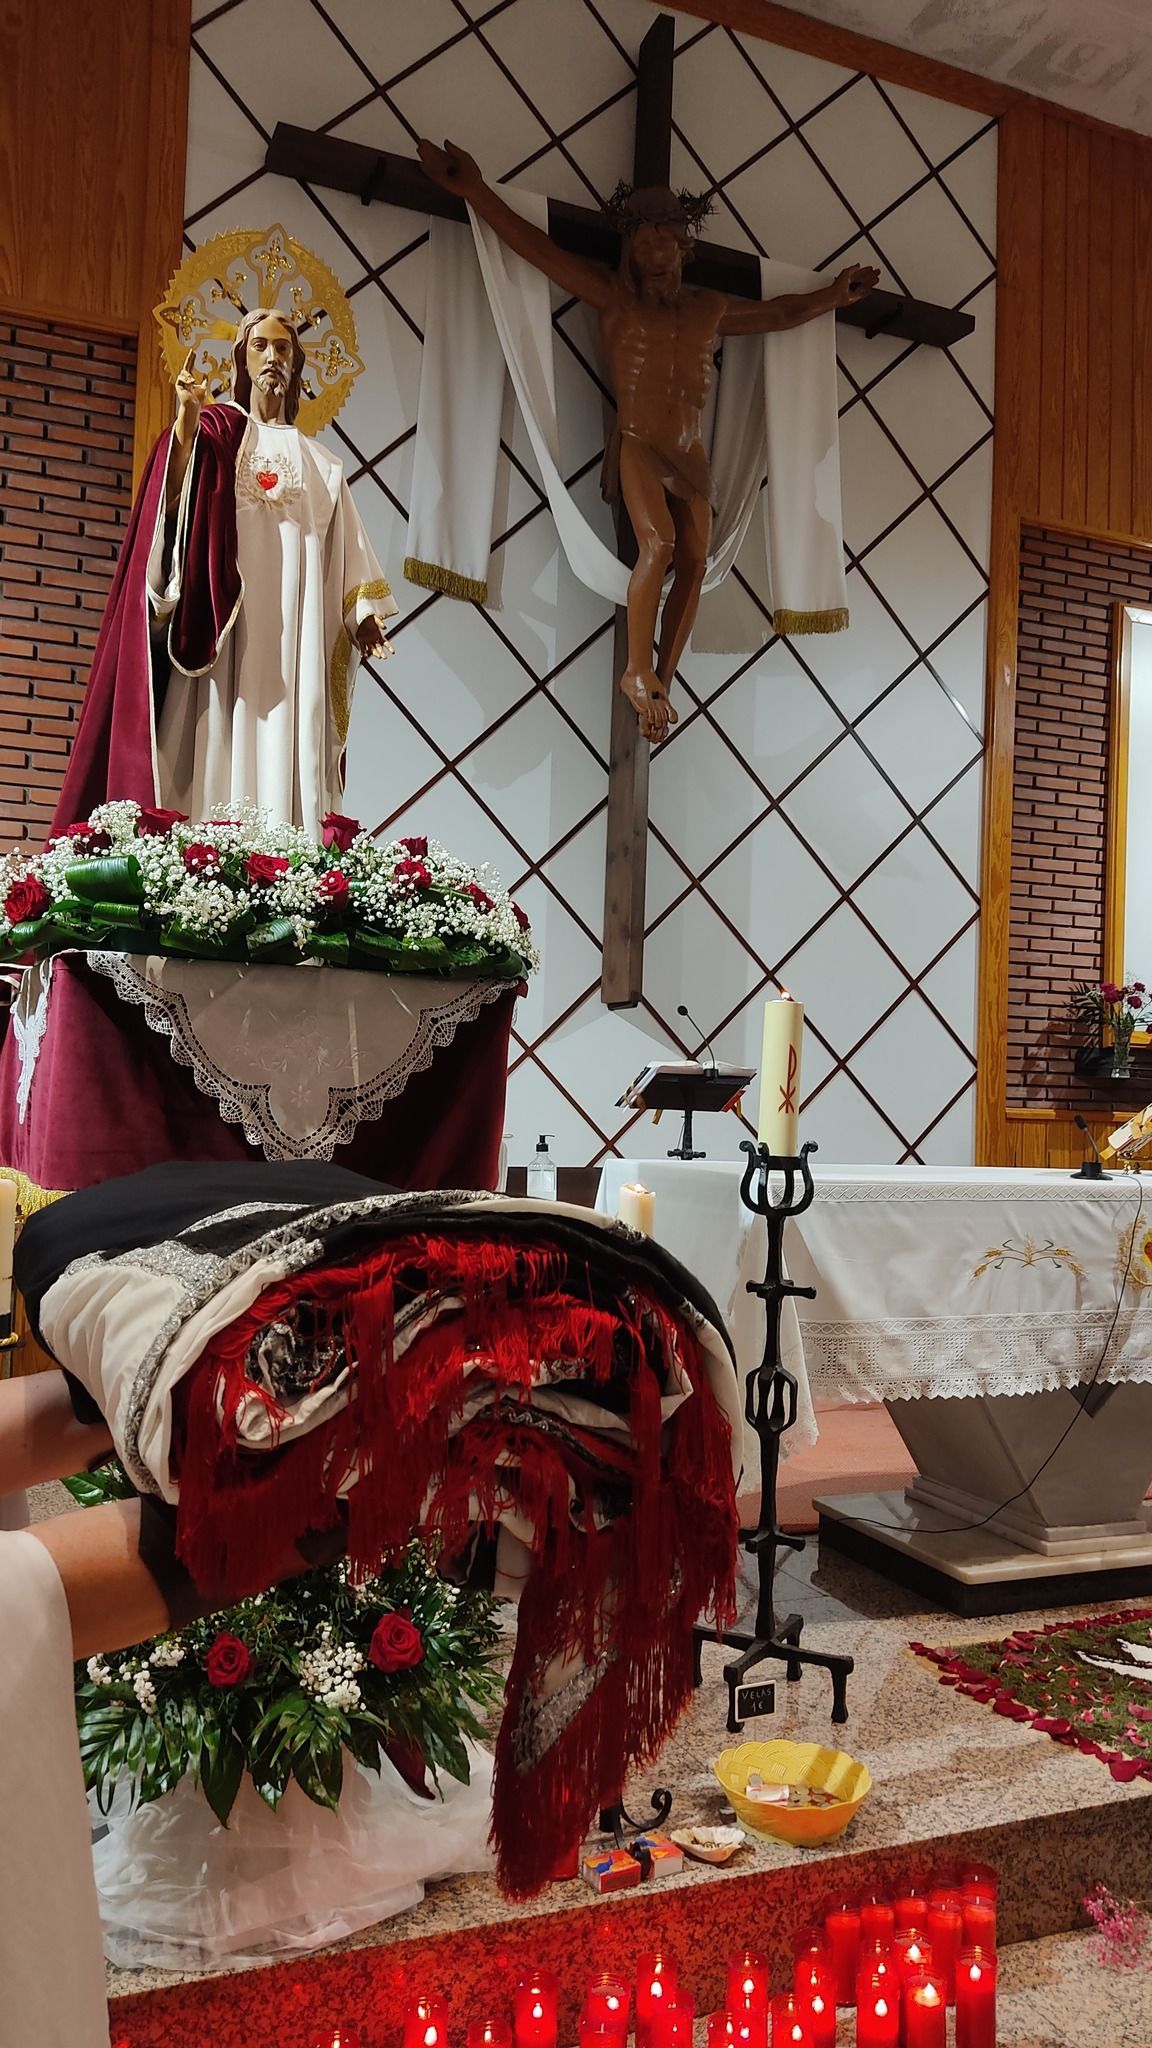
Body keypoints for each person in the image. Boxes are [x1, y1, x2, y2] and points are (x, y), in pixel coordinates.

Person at [418, 142, 878, 741]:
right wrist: (476, 191)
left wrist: (833, 297)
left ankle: (662, 677)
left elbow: (782, 314)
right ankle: (635, 669)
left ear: (684, 249)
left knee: (696, 560)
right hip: (638, 440)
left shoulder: (710, 309)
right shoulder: (615, 299)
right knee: (658, 544)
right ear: (630, 253)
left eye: (666, 245)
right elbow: (540, 251)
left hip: (690, 451)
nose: (656, 258)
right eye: (644, 247)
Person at [50, 309, 397, 842]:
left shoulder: (323, 466)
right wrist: (187, 422)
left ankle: (284, 855)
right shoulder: (216, 436)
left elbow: (347, 551)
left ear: (296, 365)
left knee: (290, 732)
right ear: (242, 360)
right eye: (260, 346)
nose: (272, 358)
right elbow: (173, 503)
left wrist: (363, 616)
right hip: (221, 633)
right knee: (215, 733)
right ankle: (207, 858)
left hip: (294, 644)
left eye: (282, 348)